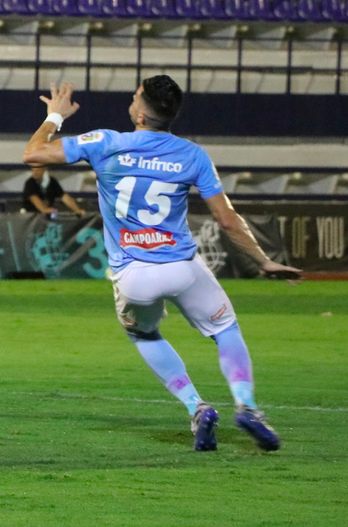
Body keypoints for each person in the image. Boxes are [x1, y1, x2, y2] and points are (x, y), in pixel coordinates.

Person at [22, 78, 300, 452]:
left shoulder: (106, 143)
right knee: (226, 330)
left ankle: (196, 407)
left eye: (135, 93)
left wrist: (55, 115)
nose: (132, 96)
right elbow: (227, 219)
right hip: (182, 266)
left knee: (144, 334)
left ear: (140, 113)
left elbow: (33, 155)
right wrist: (263, 260)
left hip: (134, 275)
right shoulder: (192, 154)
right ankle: (247, 405)